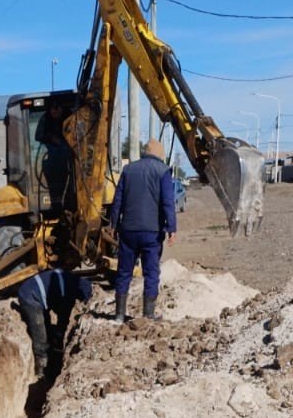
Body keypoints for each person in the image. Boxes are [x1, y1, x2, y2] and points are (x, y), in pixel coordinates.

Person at [109, 137, 176, 323]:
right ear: (160, 156)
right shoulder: (163, 171)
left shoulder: (128, 170)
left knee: (124, 272)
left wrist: (114, 224)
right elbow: (167, 203)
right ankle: (148, 314)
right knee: (151, 273)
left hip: (128, 231)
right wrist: (171, 228)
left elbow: (118, 200)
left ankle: (119, 315)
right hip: (151, 233)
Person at [16, 268, 93, 378]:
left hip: (36, 293)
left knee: (47, 328)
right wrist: (59, 338)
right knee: (40, 333)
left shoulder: (68, 278)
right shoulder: (69, 291)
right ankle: (41, 367)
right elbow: (63, 319)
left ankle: (50, 352)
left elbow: (59, 309)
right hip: (29, 297)